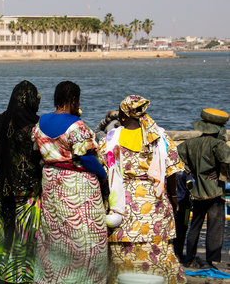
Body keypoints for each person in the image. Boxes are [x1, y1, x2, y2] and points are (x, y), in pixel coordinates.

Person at [98, 95, 186, 283]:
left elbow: (103, 170)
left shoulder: (112, 138)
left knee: (122, 249)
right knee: (157, 247)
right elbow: (171, 172)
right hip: (154, 202)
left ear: (122, 116)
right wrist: (173, 197)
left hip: (123, 201)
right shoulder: (159, 137)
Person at [31, 80, 107, 283]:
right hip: (76, 185)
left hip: (50, 181)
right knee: (85, 234)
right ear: (73, 100)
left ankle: (51, 276)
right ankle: (81, 278)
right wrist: (104, 175)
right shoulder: (77, 126)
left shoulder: (40, 122)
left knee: (54, 232)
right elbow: (87, 157)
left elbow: (36, 149)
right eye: (77, 100)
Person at [0, 81, 41, 283]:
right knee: (23, 235)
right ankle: (18, 274)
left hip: (4, 187)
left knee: (3, 228)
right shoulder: (35, 126)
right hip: (29, 192)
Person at [179, 108, 230, 269]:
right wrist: (221, 174)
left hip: (196, 191)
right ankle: (211, 260)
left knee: (195, 225)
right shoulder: (218, 144)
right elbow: (228, 162)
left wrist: (191, 171)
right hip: (215, 191)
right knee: (216, 226)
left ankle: (190, 257)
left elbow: (176, 158)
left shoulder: (190, 144)